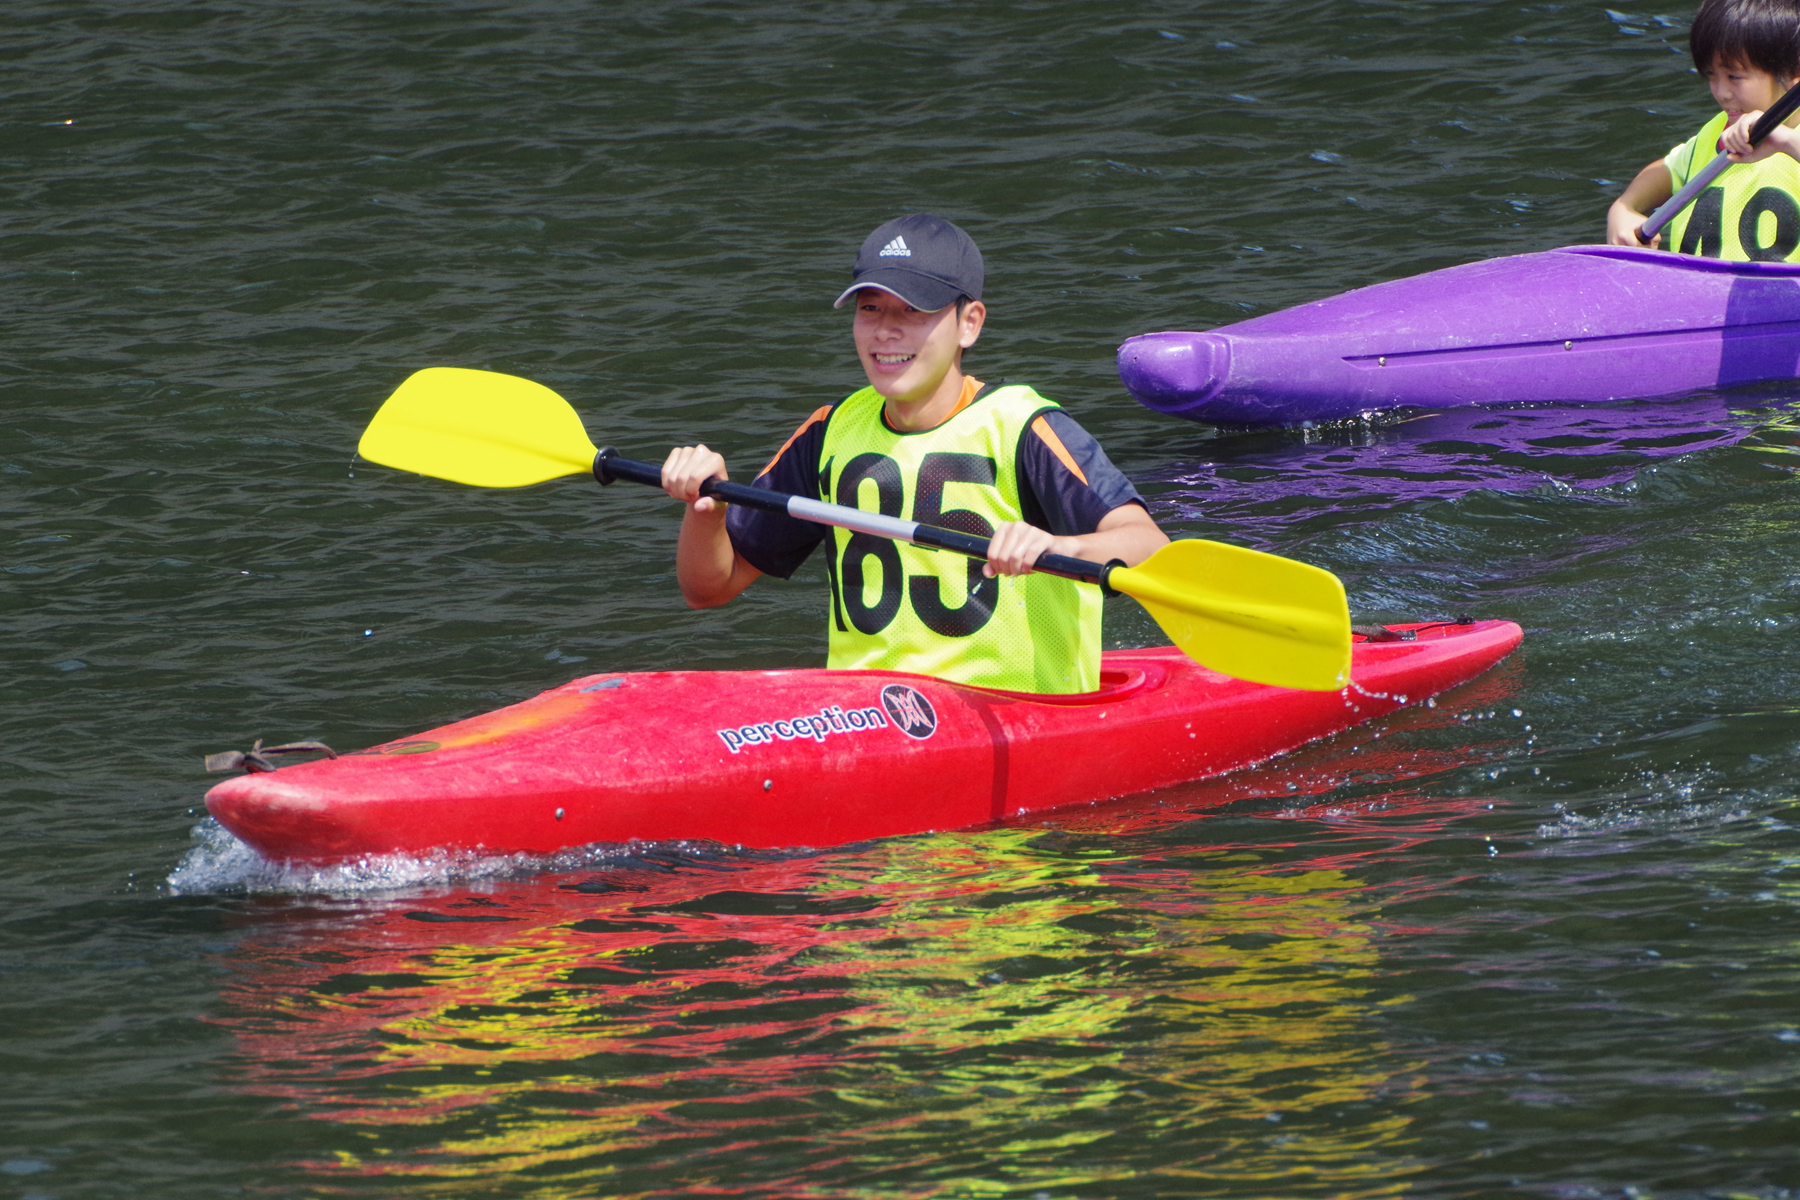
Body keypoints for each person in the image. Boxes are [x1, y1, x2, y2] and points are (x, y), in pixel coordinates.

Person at [659, 213, 1168, 695]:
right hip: (868, 717)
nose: (885, 330)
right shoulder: (830, 432)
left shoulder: (1024, 428)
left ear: (969, 323)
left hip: (1016, 715)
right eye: (870, 308)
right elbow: (709, 589)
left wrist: (1062, 548)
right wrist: (706, 510)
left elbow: (1150, 549)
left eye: (914, 310)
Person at [1608, 0, 1800, 259]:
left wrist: (1786, 141)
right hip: (1698, 295)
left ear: (1794, 71)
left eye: (1734, 77)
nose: (1721, 92)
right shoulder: (1716, 133)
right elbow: (1667, 169)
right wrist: (1624, 207)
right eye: (1712, 75)